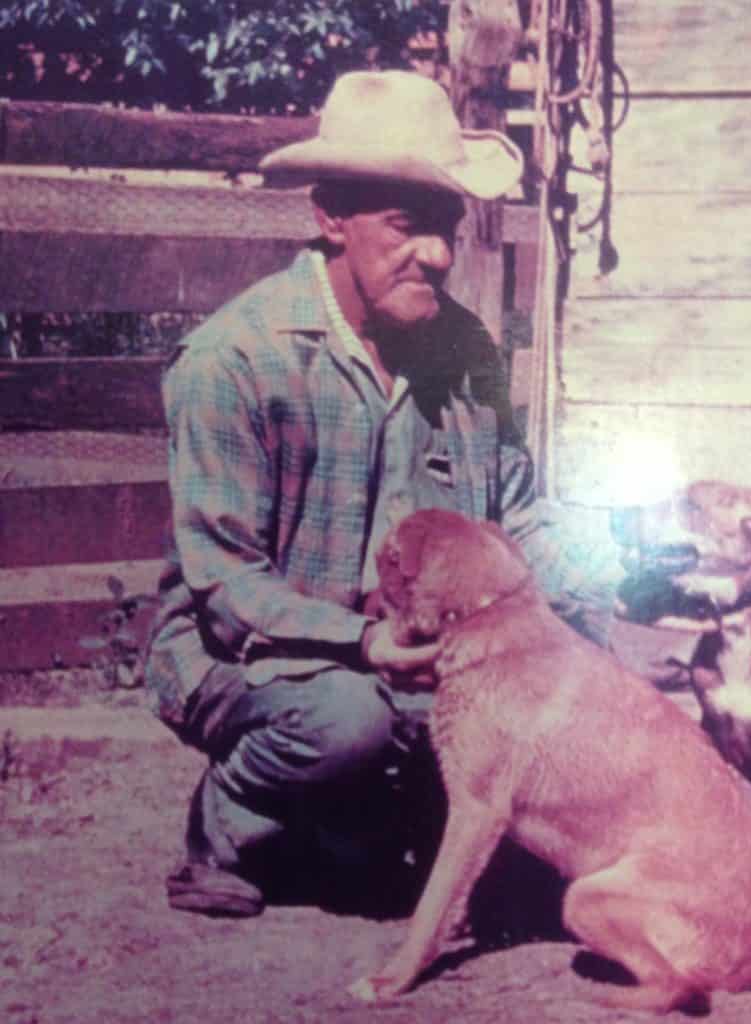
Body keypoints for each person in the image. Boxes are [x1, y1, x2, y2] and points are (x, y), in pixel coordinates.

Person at [143, 70, 620, 918]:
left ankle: (356, 821)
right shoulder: (236, 360)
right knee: (344, 725)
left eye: (445, 226)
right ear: (331, 217)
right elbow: (226, 590)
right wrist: (363, 640)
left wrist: (613, 570)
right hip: (249, 655)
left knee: (575, 685)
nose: (435, 254)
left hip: (406, 650)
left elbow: (515, 517)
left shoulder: (463, 350)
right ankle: (228, 827)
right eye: (406, 227)